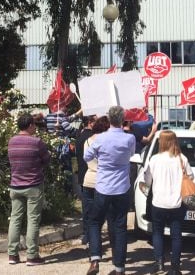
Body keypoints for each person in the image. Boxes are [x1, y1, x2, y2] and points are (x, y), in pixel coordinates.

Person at [84, 106, 136, 275]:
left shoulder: (100, 139)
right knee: (120, 226)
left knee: (94, 222)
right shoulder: (130, 138)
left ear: (109, 119)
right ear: (123, 119)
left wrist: (100, 155)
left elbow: (86, 157)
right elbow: (131, 154)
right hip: (122, 187)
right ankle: (119, 268)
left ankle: (95, 259)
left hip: (104, 187)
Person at [143, 131, 193, 275]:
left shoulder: (155, 159)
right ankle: (175, 267)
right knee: (176, 235)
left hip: (158, 202)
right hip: (177, 203)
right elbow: (190, 177)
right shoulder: (182, 158)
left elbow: (147, 181)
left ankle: (159, 264)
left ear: (162, 142)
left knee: (157, 233)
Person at [6, 113, 51, 266]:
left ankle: (12, 254)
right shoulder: (37, 142)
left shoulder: (11, 141)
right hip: (33, 185)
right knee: (32, 220)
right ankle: (32, 255)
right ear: (30, 125)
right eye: (34, 125)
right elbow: (46, 161)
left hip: (15, 185)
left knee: (15, 219)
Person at [80, 116, 106, 246]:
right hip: (103, 180)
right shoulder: (106, 142)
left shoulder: (88, 141)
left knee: (89, 213)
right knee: (101, 215)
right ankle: (96, 241)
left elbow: (86, 158)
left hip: (89, 178)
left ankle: (90, 239)